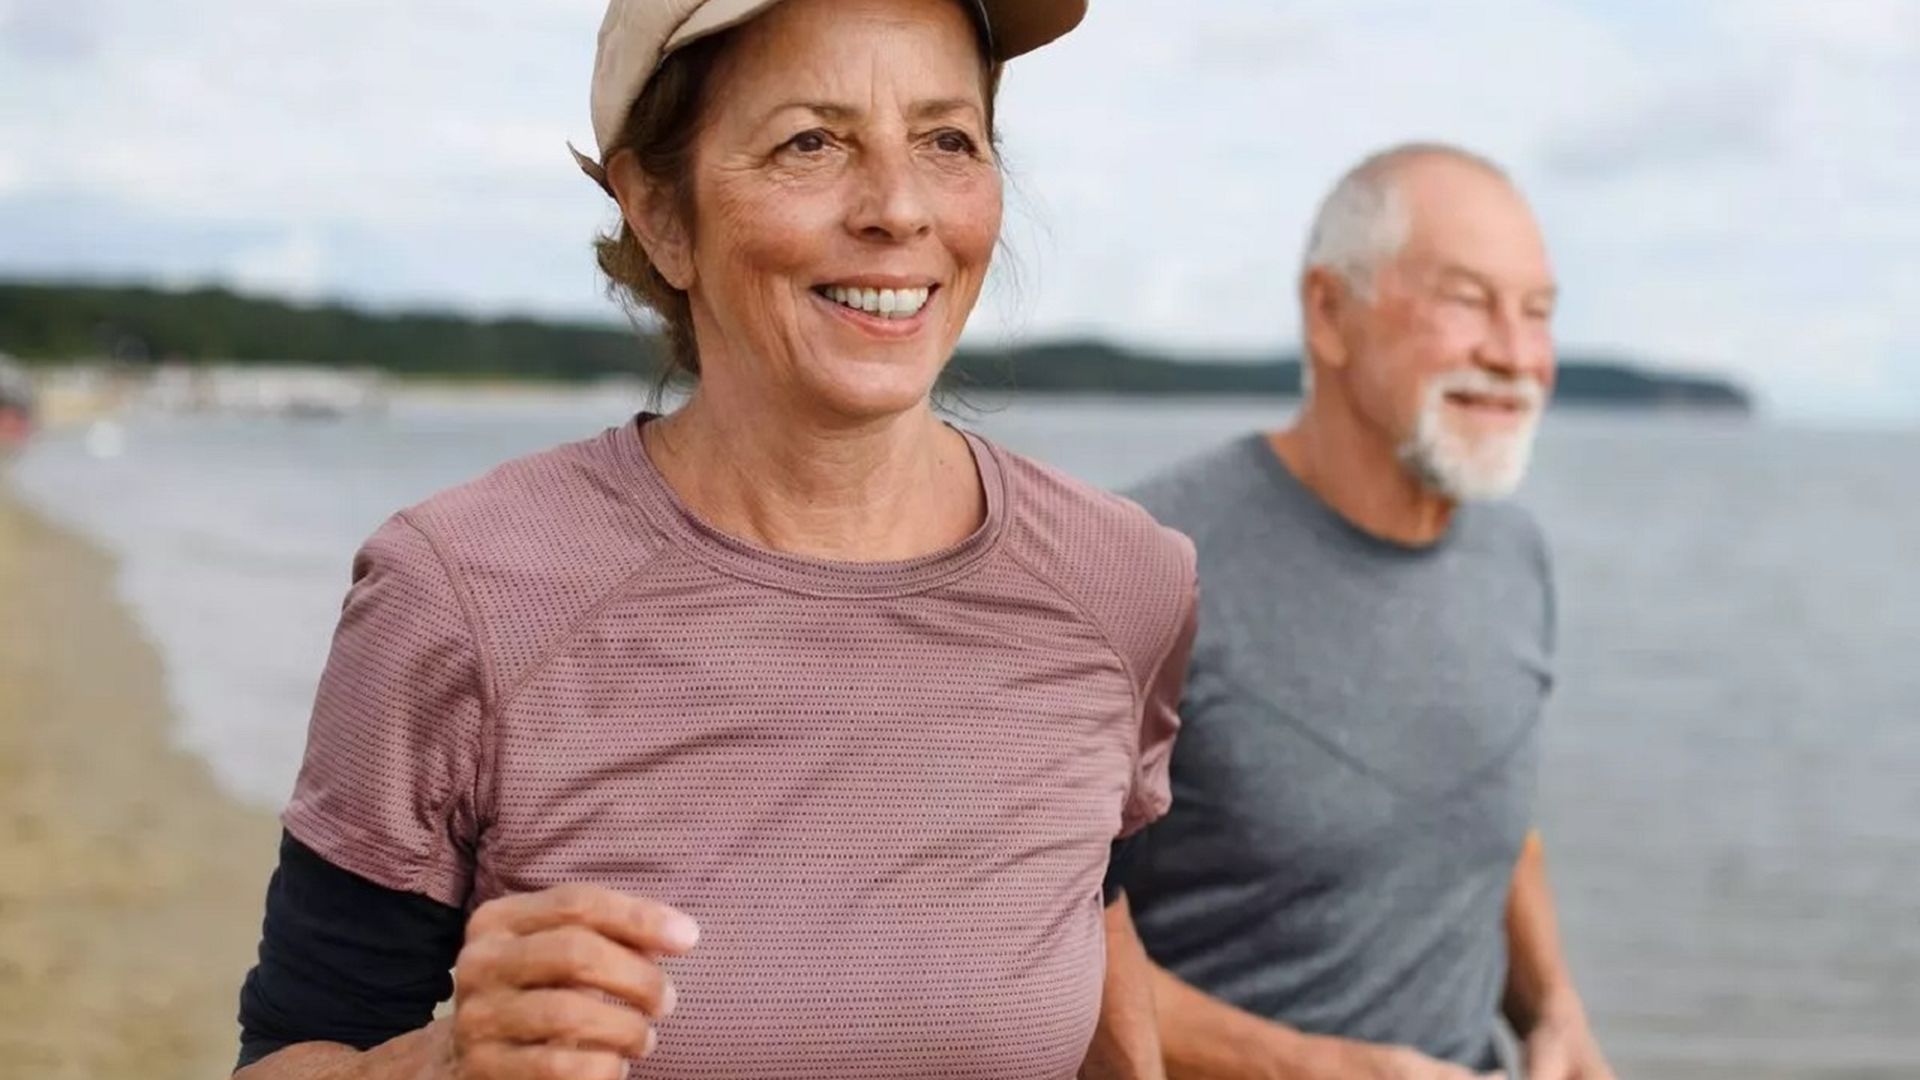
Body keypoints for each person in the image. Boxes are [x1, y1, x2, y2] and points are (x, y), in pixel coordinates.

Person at [231, 1, 1198, 1077]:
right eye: (811, 142)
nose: (899, 208)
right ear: (660, 213)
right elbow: (292, 1051)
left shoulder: (1124, 580)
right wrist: (440, 1064)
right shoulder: (457, 593)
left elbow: (1085, 906)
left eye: (946, 140)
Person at [1114, 145, 1614, 1080]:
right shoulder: (1144, 567)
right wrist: (1315, 1068)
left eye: (1538, 312)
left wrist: (1558, 1010)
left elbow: (1492, 821)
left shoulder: (1516, 558)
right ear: (1327, 312)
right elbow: (1029, 943)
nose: (1514, 354)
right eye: (1466, 300)